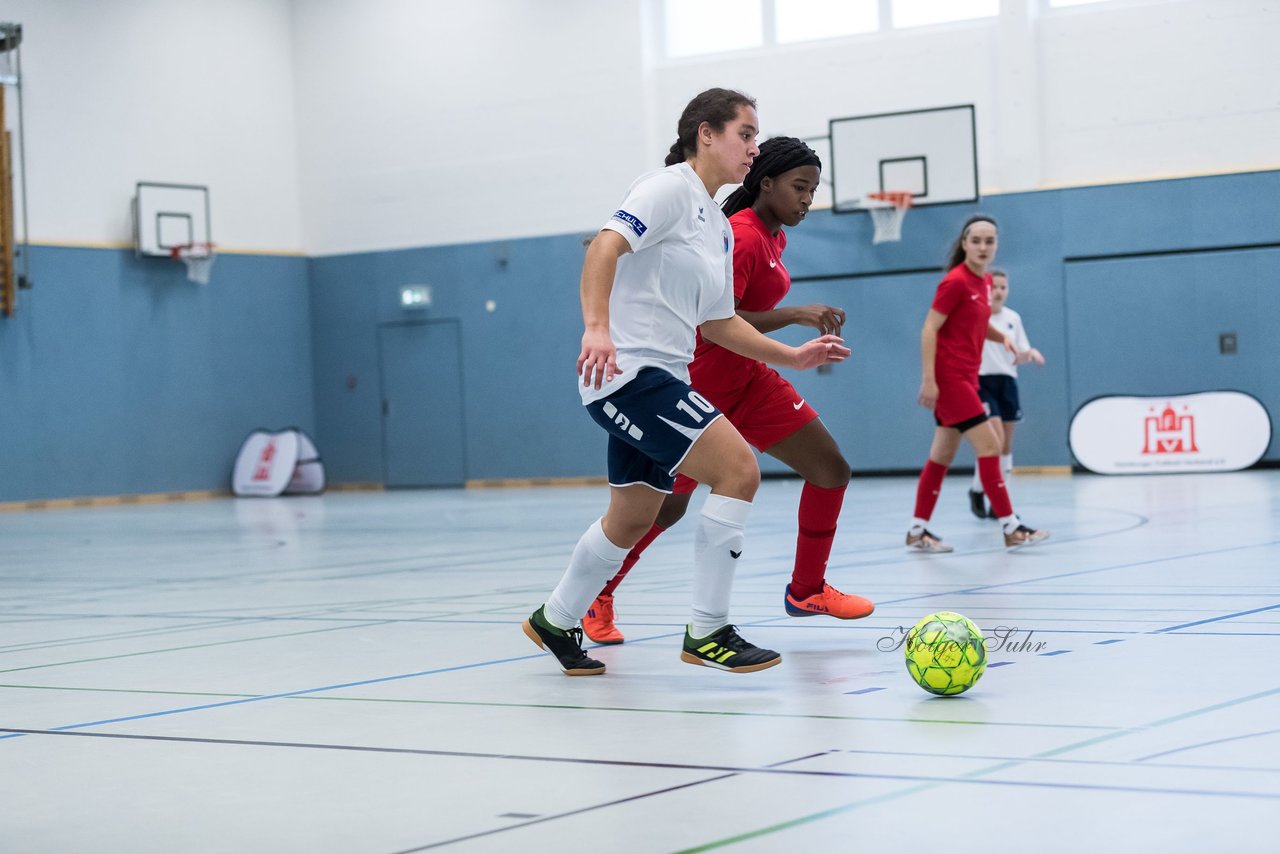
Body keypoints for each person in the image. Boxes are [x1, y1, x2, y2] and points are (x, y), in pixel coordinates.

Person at [522, 89, 850, 676]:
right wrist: (596, 328)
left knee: (632, 517)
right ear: (706, 133)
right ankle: (709, 629)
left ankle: (554, 617)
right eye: (745, 134)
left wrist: (790, 357)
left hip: (663, 374)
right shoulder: (668, 187)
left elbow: (719, 323)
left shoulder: (717, 227)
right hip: (630, 376)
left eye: (755, 136)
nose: (753, 147)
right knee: (738, 469)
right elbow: (604, 247)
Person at [578, 136, 874, 647]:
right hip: (706, 381)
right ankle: (595, 597)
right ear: (766, 183)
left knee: (830, 470)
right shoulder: (740, 234)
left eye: (813, 190)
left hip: (751, 379)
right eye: (800, 187)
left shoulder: (772, 236)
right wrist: (797, 314)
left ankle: (807, 590)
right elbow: (717, 318)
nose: (807, 199)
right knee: (664, 507)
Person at [906, 215, 1048, 552]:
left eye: (990, 241)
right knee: (990, 446)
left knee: (941, 456)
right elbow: (930, 329)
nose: (983, 247)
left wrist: (1004, 339)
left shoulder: (984, 283)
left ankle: (917, 530)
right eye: (977, 241)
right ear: (965, 244)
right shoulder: (955, 282)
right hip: (952, 380)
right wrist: (929, 380)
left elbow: (978, 323)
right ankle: (1011, 527)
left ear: (996, 245)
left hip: (967, 377)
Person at [968, 269, 1045, 519]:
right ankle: (983, 492)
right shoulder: (978, 315)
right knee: (994, 440)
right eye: (995, 287)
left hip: (1007, 382)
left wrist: (1030, 353)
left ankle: (995, 499)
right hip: (982, 382)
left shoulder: (1013, 318)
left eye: (1003, 287)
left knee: (1006, 445)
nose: (999, 291)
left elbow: (1019, 352)